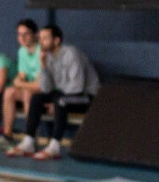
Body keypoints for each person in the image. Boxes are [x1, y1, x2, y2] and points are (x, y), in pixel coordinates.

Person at [11, 24, 99, 159]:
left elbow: (77, 87)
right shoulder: (47, 56)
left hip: (87, 97)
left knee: (60, 100)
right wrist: (43, 65)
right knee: (37, 98)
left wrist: (55, 102)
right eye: (40, 38)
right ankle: (29, 141)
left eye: (45, 38)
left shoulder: (71, 53)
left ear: (56, 40)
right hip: (64, 95)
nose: (41, 42)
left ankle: (55, 146)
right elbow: (46, 88)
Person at [1, 19, 42, 136]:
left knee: (27, 93)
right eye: (19, 34)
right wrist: (19, 81)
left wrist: (20, 83)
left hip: (47, 89)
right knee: (9, 92)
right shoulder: (22, 51)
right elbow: (22, 76)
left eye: (26, 34)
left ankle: (30, 136)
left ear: (35, 35)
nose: (22, 38)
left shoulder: (42, 51)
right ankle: (7, 134)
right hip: (30, 87)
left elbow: (39, 84)